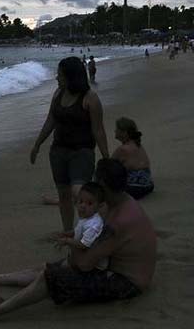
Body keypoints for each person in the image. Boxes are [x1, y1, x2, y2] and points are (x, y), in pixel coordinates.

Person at [0, 159, 156, 326]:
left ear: (104, 185)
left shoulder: (119, 221)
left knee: (52, 276)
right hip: (113, 266)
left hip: (126, 283)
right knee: (50, 267)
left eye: (96, 180)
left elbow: (84, 264)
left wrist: (69, 246)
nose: (93, 183)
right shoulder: (120, 201)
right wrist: (70, 237)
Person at [30, 56, 109, 232]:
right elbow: (50, 121)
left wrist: (106, 158)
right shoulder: (58, 94)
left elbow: (98, 130)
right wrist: (37, 144)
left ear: (71, 77)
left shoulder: (90, 99)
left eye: (60, 75)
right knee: (64, 195)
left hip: (82, 152)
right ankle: (68, 232)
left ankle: (96, 227)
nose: (56, 78)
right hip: (58, 152)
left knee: (80, 193)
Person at [52, 182, 108, 271]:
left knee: (49, 273)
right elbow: (80, 230)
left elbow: (84, 244)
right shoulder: (88, 218)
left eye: (89, 203)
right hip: (80, 260)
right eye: (80, 201)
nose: (82, 206)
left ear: (99, 206)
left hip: (92, 269)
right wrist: (67, 234)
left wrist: (67, 241)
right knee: (47, 270)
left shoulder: (94, 225)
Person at [112, 117, 154, 199]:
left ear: (124, 133)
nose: (115, 131)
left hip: (134, 188)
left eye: (117, 129)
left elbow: (107, 167)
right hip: (148, 185)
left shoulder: (122, 149)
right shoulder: (139, 146)